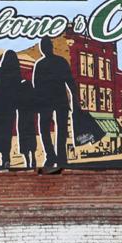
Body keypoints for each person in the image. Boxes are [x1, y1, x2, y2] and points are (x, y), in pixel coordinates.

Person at [32, 37, 76, 169]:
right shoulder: (61, 62)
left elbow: (36, 86)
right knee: (61, 130)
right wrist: (75, 98)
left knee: (44, 129)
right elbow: (70, 82)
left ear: (43, 49)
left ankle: (51, 156)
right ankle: (61, 157)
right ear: (51, 47)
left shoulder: (40, 65)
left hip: (45, 101)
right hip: (60, 101)